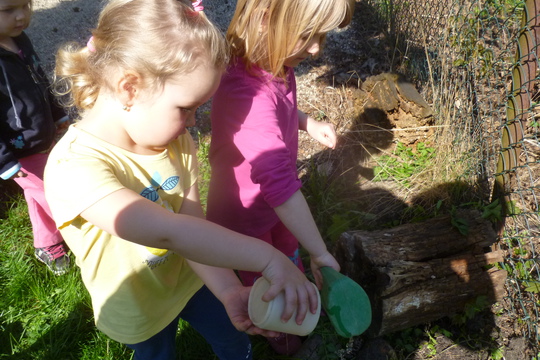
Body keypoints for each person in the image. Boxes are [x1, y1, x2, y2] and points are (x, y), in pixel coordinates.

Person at [44, 0, 319, 359]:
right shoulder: (73, 168)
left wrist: (227, 290)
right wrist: (268, 259)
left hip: (196, 281)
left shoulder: (177, 143)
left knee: (233, 340)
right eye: (185, 108)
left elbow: (191, 225)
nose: (192, 123)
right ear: (130, 88)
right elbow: (167, 231)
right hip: (138, 308)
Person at [206, 0, 355, 355]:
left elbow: (279, 107)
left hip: (275, 209)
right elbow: (281, 185)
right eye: (307, 34)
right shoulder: (246, 93)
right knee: (266, 285)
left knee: (287, 258)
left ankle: (294, 288)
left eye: (321, 35)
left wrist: (308, 123)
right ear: (263, 21)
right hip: (243, 218)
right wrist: (320, 252)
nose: (317, 48)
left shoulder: (273, 63)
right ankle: (283, 334)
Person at [0, 0, 70, 275]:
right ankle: (89, 236)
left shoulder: (20, 40)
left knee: (37, 194)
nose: (21, 16)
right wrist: (4, 161)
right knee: (56, 196)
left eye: (26, 6)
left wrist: (56, 113)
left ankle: (46, 243)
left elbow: (39, 80)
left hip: (42, 134)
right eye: (8, 10)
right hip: (17, 151)